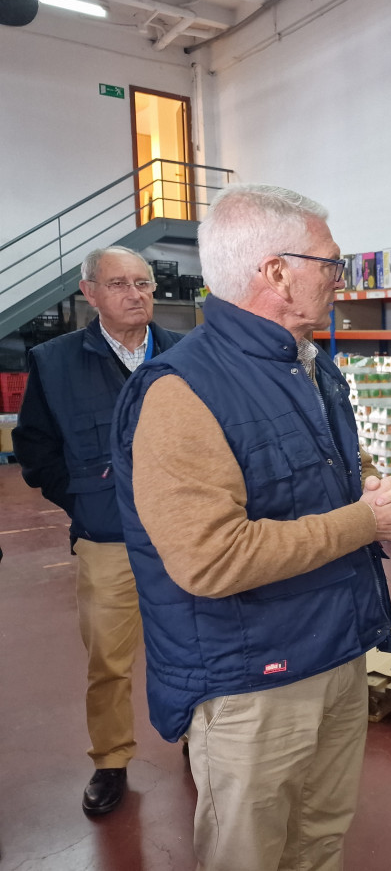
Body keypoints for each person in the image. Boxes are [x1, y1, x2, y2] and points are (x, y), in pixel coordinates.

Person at [108, 183, 391, 871]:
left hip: (336, 650)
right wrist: (363, 520)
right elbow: (210, 557)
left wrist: (373, 504)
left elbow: (325, 483)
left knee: (319, 841)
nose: (340, 277)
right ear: (276, 272)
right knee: (249, 856)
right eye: (330, 262)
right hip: (253, 681)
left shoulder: (312, 366)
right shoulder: (180, 392)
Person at [13, 245, 185, 816]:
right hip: (107, 540)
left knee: (195, 642)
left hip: (188, 536)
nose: (136, 294)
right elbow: (35, 448)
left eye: (143, 283)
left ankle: (197, 735)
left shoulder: (189, 353)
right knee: (109, 659)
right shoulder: (55, 362)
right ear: (89, 293)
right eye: (119, 284)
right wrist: (84, 501)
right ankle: (110, 760)